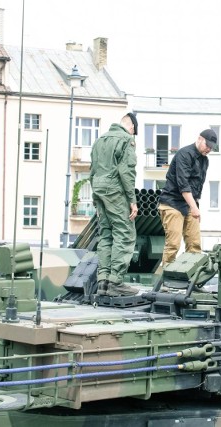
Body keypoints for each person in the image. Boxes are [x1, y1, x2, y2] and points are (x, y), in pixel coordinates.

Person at [90, 112, 140, 297]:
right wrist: (132, 200)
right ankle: (116, 282)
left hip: (99, 189)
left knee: (105, 234)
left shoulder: (100, 140)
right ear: (132, 128)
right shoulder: (126, 140)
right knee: (124, 232)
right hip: (114, 190)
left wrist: (96, 198)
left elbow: (92, 171)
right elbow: (126, 172)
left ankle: (103, 281)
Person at [157, 129, 216, 265]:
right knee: (173, 244)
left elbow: (197, 186)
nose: (209, 149)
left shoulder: (204, 161)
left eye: (211, 148)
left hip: (190, 204)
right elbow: (183, 186)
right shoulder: (184, 154)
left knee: (194, 245)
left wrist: (195, 206)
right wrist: (195, 208)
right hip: (172, 203)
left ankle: (191, 281)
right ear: (199, 139)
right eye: (207, 145)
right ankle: (166, 280)